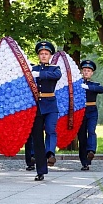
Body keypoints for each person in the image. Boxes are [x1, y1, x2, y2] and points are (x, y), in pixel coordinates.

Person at [30, 41, 62, 181]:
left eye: (46, 53)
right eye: (41, 54)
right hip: (37, 106)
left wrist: (39, 75)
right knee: (37, 138)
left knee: (51, 130)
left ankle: (50, 154)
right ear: (38, 55)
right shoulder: (32, 69)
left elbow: (56, 76)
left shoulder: (55, 68)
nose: (43, 56)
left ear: (50, 55)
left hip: (50, 105)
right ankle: (40, 171)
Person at [78, 60, 103, 171]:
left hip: (92, 110)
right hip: (80, 111)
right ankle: (84, 162)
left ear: (92, 73)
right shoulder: (78, 84)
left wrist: (87, 87)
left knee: (92, 131)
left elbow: (101, 89)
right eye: (84, 70)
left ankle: (91, 151)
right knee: (82, 136)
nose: (86, 73)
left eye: (88, 71)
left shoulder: (94, 85)